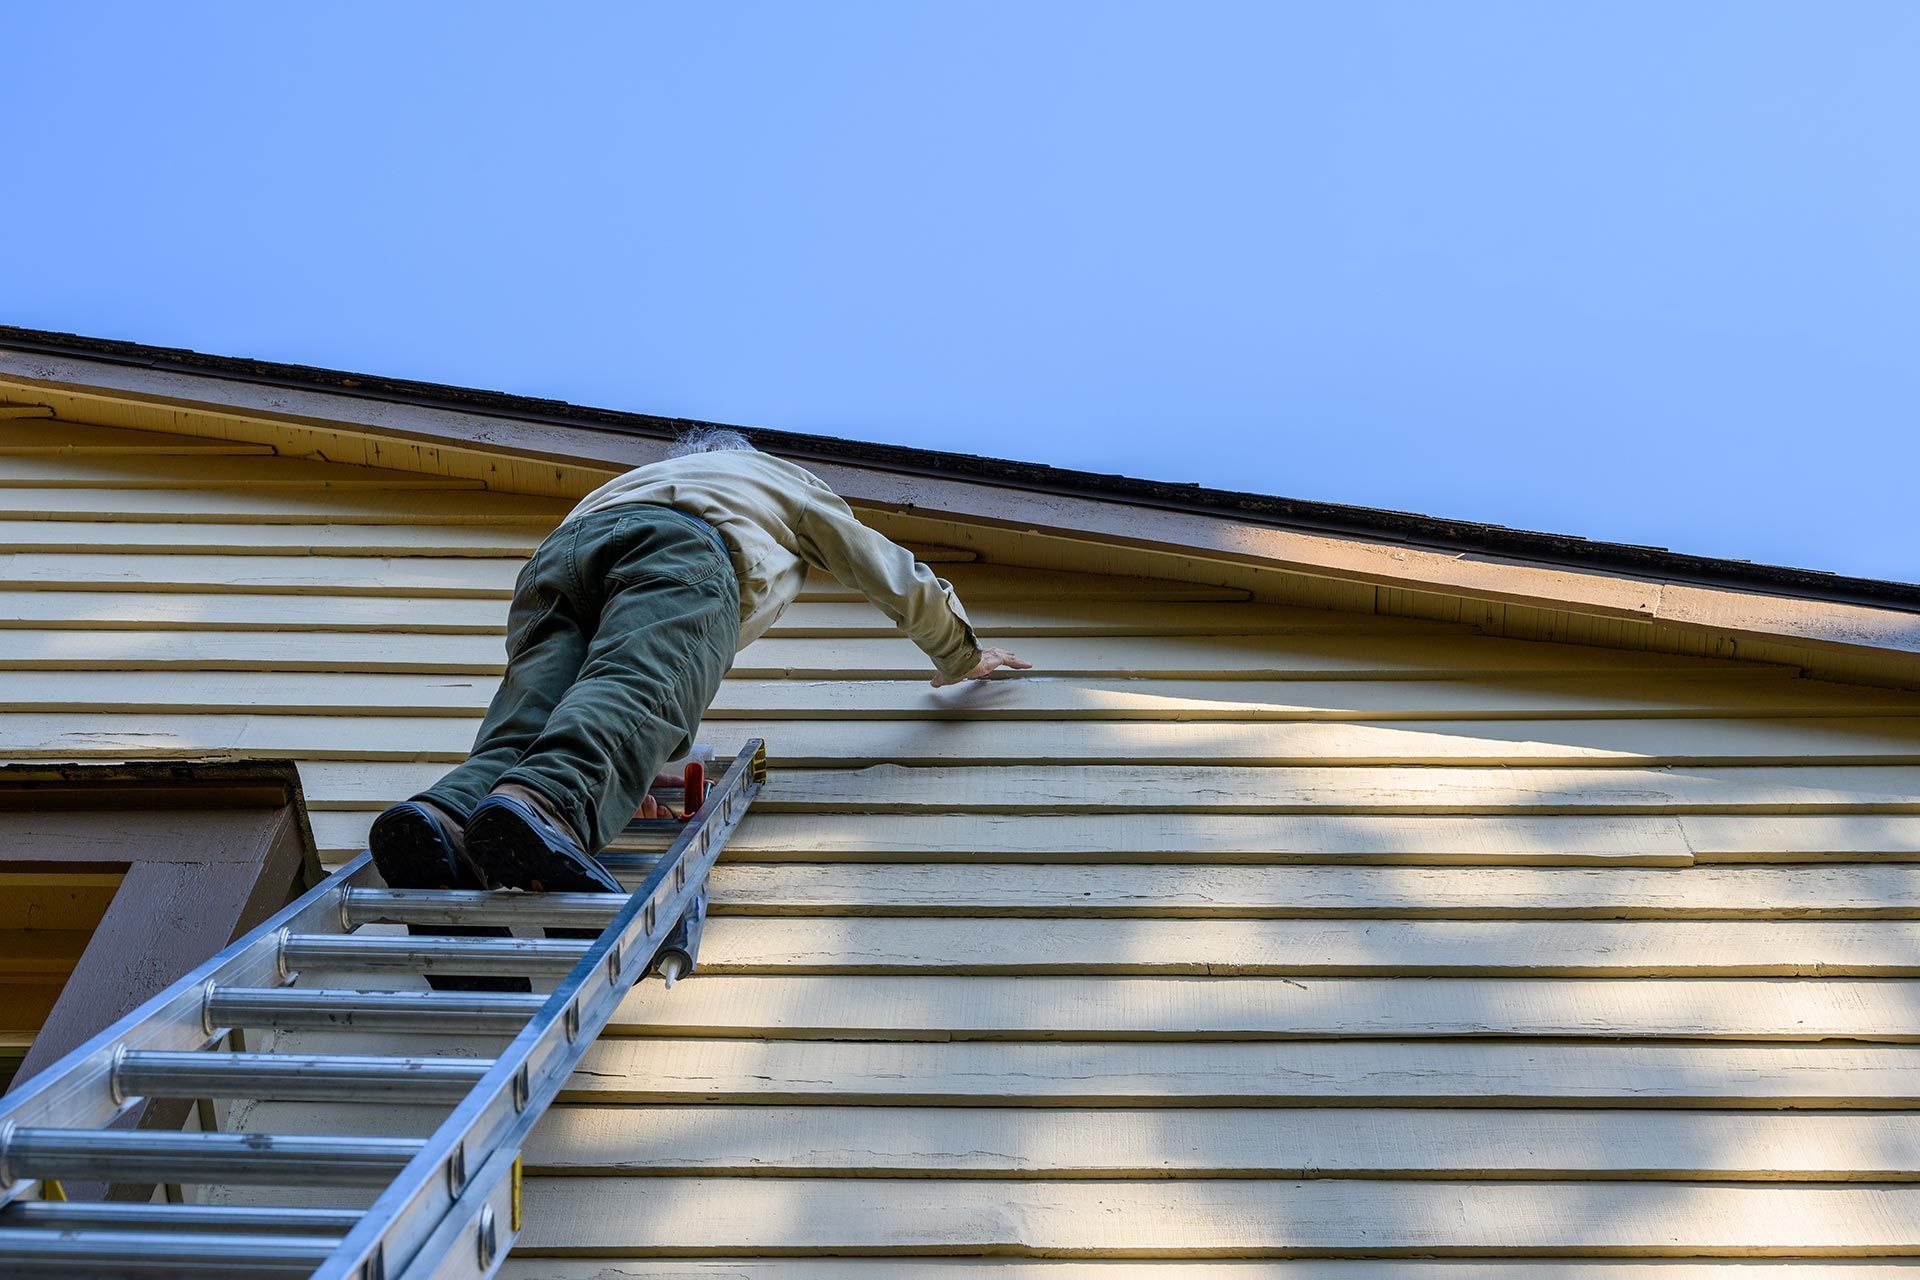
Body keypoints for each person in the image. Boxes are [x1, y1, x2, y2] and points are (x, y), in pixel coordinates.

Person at [368, 426, 1032, 899]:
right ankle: (546, 802)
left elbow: (597, 682)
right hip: (679, 549)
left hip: (556, 559)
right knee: (638, 685)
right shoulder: (774, 477)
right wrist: (959, 651)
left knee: (530, 716)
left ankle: (449, 817)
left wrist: (627, 782)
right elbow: (877, 562)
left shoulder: (635, 480)